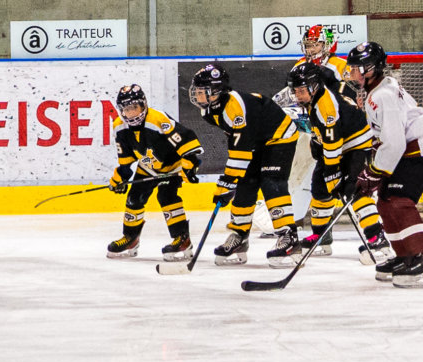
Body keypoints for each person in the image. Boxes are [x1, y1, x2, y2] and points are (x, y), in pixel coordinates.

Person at [187, 62, 299, 266]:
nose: (198, 96)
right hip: (255, 140)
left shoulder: (234, 108)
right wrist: (231, 182)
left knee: (271, 182)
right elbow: (239, 143)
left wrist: (226, 183)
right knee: (245, 185)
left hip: (279, 137)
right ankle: (240, 235)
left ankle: (288, 236)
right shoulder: (209, 111)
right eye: (198, 91)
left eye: (203, 91)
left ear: (217, 91)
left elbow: (240, 151)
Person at [351, 44, 423, 286]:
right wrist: (373, 171)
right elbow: (387, 137)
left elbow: (394, 143)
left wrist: (373, 173)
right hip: (413, 143)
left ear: (371, 69)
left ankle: (422, 261)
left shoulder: (382, 95)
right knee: (385, 199)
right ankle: (405, 256)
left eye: (356, 69)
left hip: (419, 144)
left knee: (398, 199)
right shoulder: (381, 88)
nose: (352, 74)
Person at [102, 82, 205, 260]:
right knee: (134, 198)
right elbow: (126, 159)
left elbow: (185, 138)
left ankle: (182, 239)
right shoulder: (119, 126)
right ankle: (130, 238)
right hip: (147, 167)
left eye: (134, 108)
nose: (130, 113)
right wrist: (119, 179)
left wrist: (190, 164)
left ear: (143, 105)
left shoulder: (157, 119)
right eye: (126, 109)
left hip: (171, 167)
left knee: (166, 197)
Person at [282, 59, 373, 258]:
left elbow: (333, 142)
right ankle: (321, 237)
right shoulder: (312, 99)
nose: (298, 95)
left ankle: (376, 237)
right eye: (295, 91)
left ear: (314, 87)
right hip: (338, 145)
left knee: (353, 189)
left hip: (356, 144)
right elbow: (324, 135)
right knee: (319, 187)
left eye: (301, 90)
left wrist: (333, 172)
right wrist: (316, 144)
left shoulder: (326, 104)